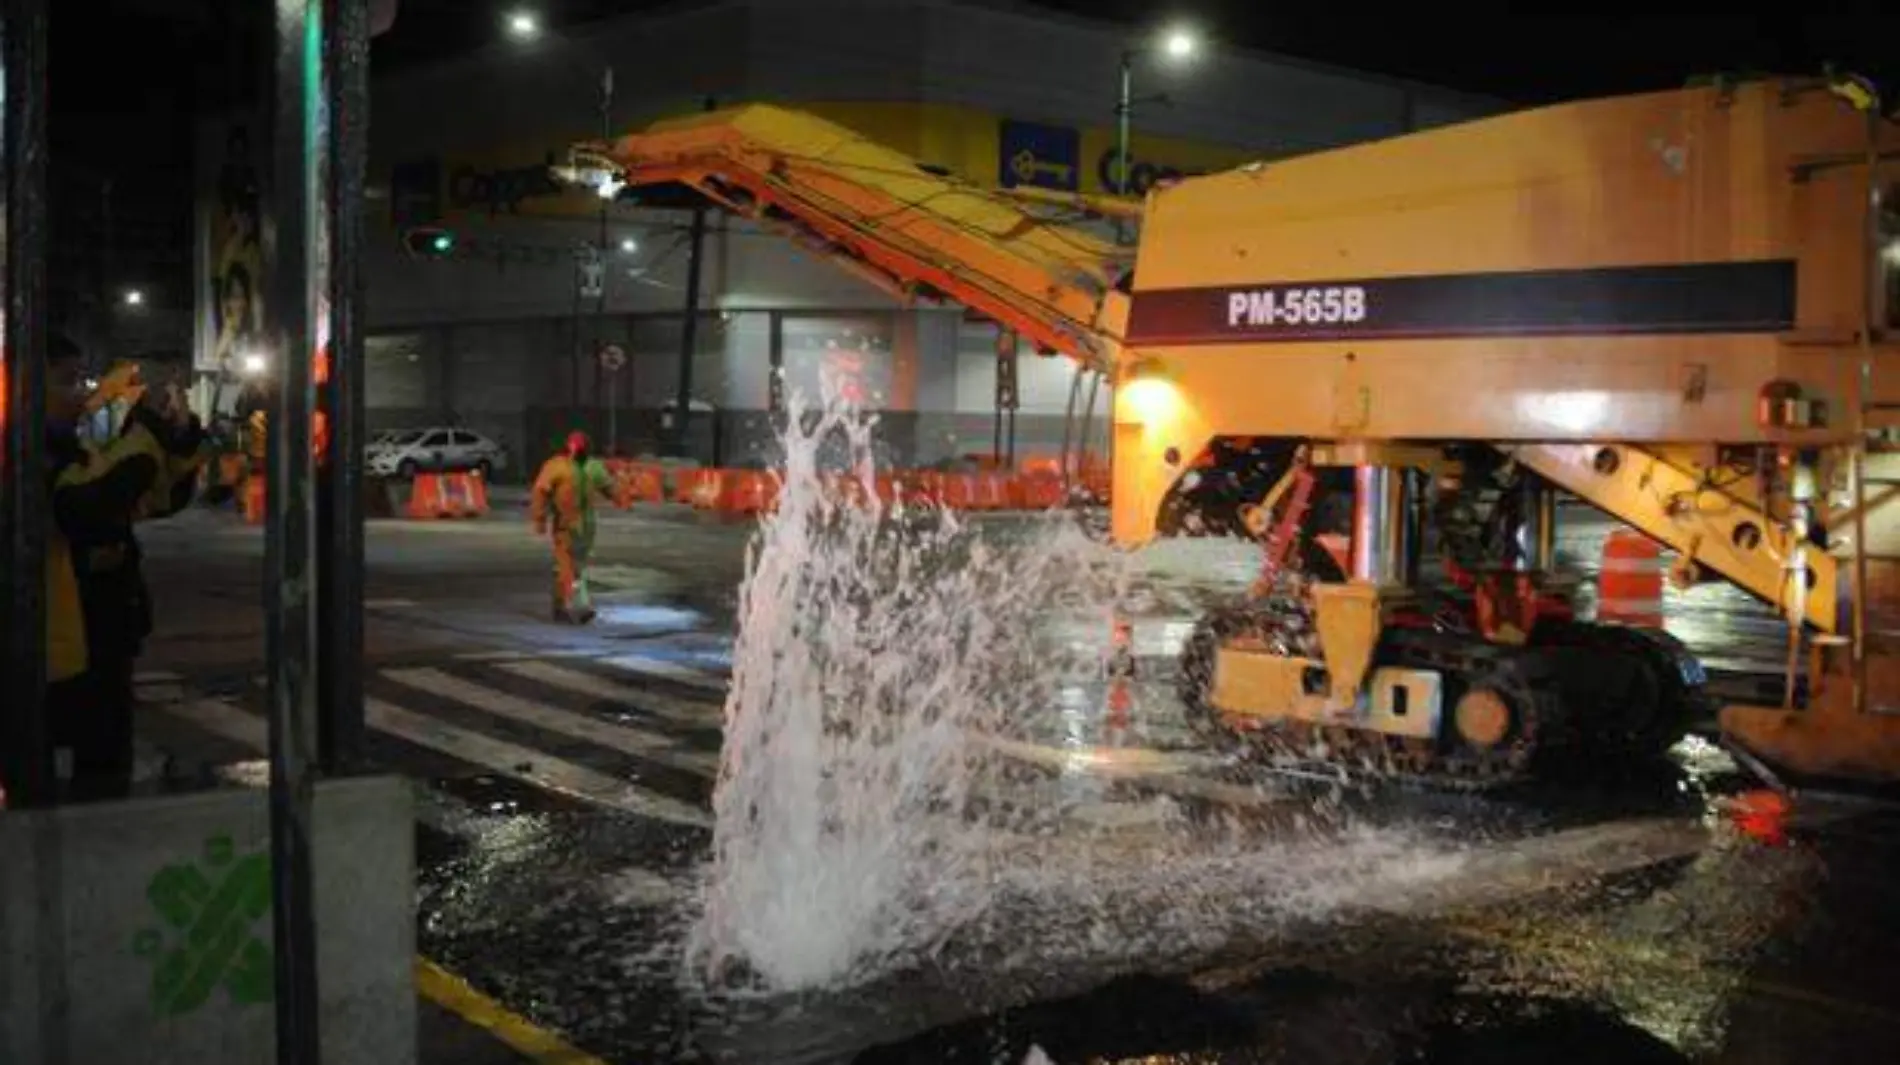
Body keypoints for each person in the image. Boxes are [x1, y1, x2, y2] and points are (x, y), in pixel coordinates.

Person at [43, 335, 205, 802]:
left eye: (82, 380)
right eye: (66, 380)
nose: (80, 393)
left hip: (105, 629)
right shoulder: (36, 451)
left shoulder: (90, 439)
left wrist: (176, 439)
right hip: (52, 641)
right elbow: (83, 511)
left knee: (105, 758)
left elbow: (156, 501)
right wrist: (142, 444)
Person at [530, 430, 615, 624]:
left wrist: (622, 499)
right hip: (566, 525)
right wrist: (539, 518)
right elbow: (541, 491)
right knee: (569, 567)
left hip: (585, 526)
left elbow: (608, 487)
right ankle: (577, 605)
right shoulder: (558, 467)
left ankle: (562, 605)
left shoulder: (590, 467)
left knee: (573, 566)